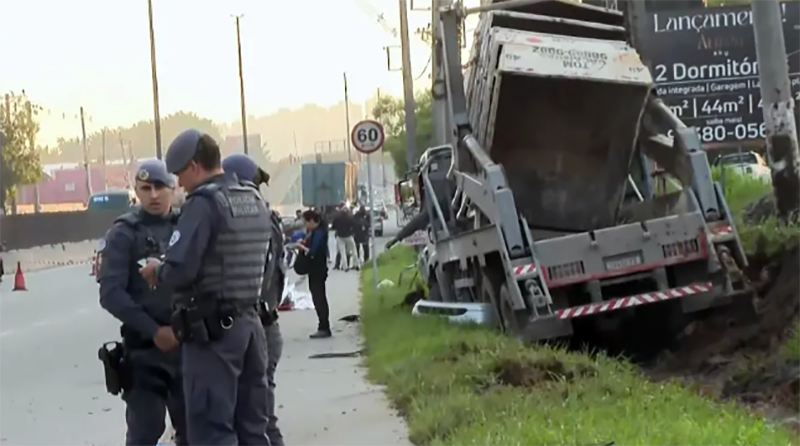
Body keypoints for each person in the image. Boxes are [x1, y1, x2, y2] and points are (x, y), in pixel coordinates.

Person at [139, 129, 272, 446]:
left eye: (180, 174)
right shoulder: (252, 198)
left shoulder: (204, 203)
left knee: (212, 429)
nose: (179, 184)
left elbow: (181, 269)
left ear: (195, 166)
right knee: (253, 428)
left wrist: (158, 271)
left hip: (214, 335)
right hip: (252, 327)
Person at [97, 160, 187, 446]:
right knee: (145, 430)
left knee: (194, 429)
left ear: (173, 188)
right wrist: (154, 331)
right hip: (145, 351)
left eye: (160, 187)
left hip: (189, 345)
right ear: (136, 190)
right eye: (146, 188)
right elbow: (111, 293)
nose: (154, 194)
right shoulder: (124, 232)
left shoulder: (187, 225)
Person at [222, 153, 286, 446]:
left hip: (257, 325)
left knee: (258, 419)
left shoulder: (255, 221)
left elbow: (261, 279)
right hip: (261, 325)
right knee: (255, 416)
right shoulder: (264, 216)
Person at [299, 209, 332, 338]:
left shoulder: (319, 233)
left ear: (313, 221)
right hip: (317, 269)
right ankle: (323, 325)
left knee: (319, 298)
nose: (306, 225)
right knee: (318, 297)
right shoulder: (315, 232)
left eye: (306, 222)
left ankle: (324, 326)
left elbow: (313, 251)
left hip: (317, 269)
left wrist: (302, 248)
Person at [331, 206, 358, 271]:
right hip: (348, 235)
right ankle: (356, 264)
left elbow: (333, 226)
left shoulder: (337, 218)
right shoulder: (350, 217)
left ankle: (345, 266)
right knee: (354, 249)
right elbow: (354, 225)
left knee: (342, 252)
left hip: (340, 236)